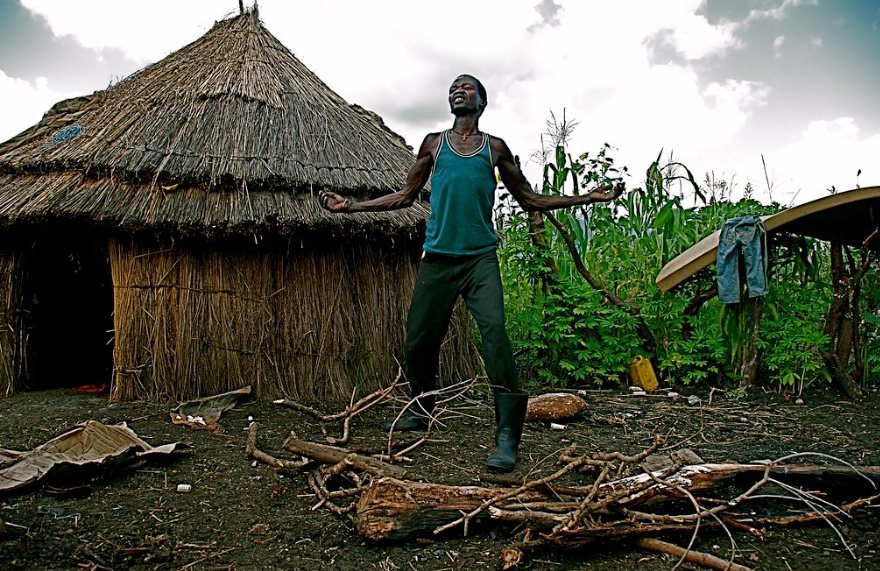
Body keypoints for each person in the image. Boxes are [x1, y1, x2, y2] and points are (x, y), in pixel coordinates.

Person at [319, 74, 623, 472]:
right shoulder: (433, 143)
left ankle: (507, 435)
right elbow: (405, 196)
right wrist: (351, 207)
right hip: (438, 259)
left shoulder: (494, 149)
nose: (456, 91)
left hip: (480, 259)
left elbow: (529, 199)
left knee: (495, 337)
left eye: (465, 87)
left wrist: (587, 197)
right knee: (418, 343)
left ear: (482, 100)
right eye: (452, 88)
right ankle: (422, 407)